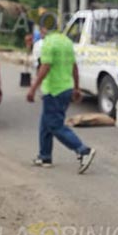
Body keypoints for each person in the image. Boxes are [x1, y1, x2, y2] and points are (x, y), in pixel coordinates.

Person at [26, 29, 97, 173]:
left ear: (44, 29)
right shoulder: (66, 42)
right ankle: (45, 156)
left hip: (54, 90)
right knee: (45, 123)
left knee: (55, 125)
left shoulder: (48, 43)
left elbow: (45, 66)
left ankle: (82, 150)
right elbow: (74, 66)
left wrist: (33, 88)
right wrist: (76, 88)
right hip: (66, 89)